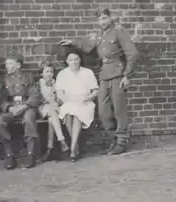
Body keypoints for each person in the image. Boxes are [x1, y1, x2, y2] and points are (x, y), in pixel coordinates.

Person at [58, 8, 139, 155]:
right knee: (103, 111)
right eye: (100, 19)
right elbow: (88, 46)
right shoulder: (100, 35)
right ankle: (113, 138)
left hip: (118, 74)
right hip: (104, 75)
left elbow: (132, 54)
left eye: (105, 18)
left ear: (110, 18)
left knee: (119, 110)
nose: (102, 21)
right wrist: (72, 42)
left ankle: (121, 141)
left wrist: (127, 75)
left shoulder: (119, 31)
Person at [0, 54, 43, 170]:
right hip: (12, 109)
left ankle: (31, 155)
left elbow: (35, 95)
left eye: (10, 64)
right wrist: (9, 108)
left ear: (18, 65)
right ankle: (9, 154)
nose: (7, 66)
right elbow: (1, 98)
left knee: (28, 119)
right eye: (6, 64)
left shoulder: (28, 77)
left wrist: (25, 106)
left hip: (27, 108)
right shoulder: (4, 79)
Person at [56, 49, 99, 162]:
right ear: (67, 61)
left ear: (80, 60)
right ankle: (74, 148)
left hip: (85, 102)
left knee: (77, 114)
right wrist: (69, 100)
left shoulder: (87, 72)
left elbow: (95, 91)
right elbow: (60, 93)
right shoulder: (63, 74)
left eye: (76, 59)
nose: (74, 62)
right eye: (71, 60)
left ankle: (73, 148)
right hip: (69, 101)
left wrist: (87, 98)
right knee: (69, 113)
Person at [37, 61, 70, 161]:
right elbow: (38, 98)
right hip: (43, 107)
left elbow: (58, 98)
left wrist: (58, 101)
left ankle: (50, 147)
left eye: (51, 72)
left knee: (52, 119)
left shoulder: (55, 83)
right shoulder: (39, 84)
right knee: (52, 112)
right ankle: (62, 142)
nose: (49, 74)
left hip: (54, 108)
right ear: (41, 73)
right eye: (47, 72)